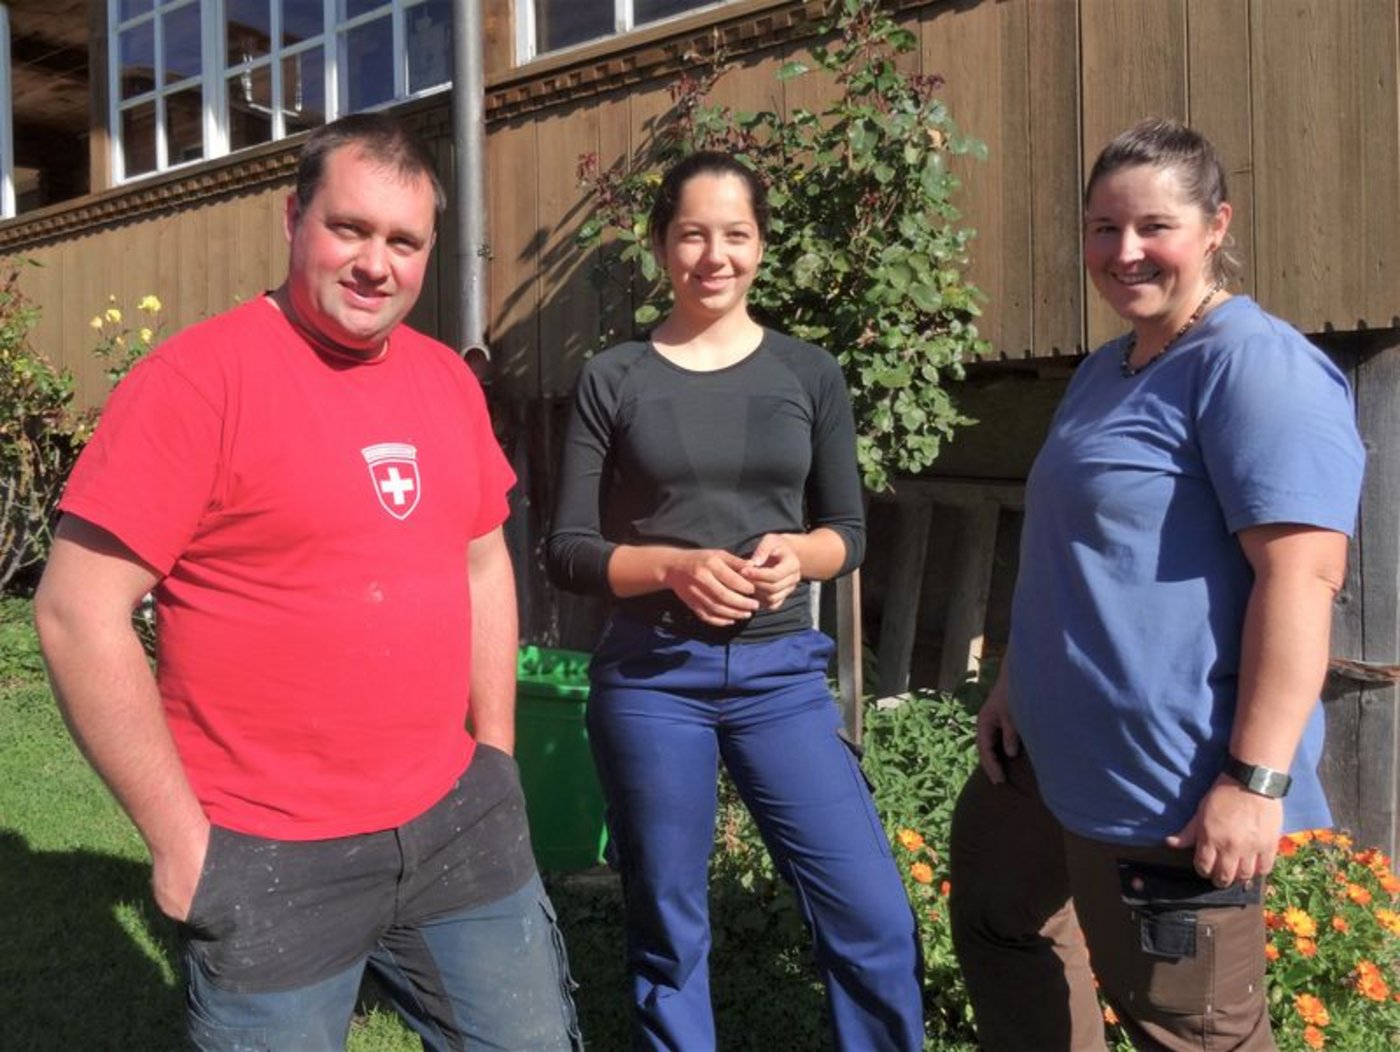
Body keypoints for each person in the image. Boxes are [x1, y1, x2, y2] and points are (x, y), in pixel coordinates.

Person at [34, 114, 581, 1052]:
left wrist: (493, 753)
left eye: (403, 242)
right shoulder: (197, 382)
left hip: (459, 823)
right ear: (293, 219)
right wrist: (179, 843)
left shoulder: (448, 381)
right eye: (350, 229)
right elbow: (79, 614)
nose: (376, 263)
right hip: (270, 849)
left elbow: (482, 560)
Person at [948, 117, 1366, 1050]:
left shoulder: (1255, 368)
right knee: (998, 925)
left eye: (1153, 228)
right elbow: (1073, 545)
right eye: (1103, 228)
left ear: (1216, 226)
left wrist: (1254, 782)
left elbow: (1303, 578)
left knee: (1190, 1030)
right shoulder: (1106, 369)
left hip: (1164, 783)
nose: (1124, 252)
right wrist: (1015, 678)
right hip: (1046, 755)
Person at [547, 150, 925, 1051]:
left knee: (872, 916)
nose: (714, 256)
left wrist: (803, 553)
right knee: (670, 933)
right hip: (651, 679)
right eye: (692, 235)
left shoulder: (808, 373)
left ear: (762, 245)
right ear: (660, 245)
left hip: (781, 677)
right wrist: (672, 568)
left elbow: (848, 531)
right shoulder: (617, 377)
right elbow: (568, 551)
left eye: (736, 235)